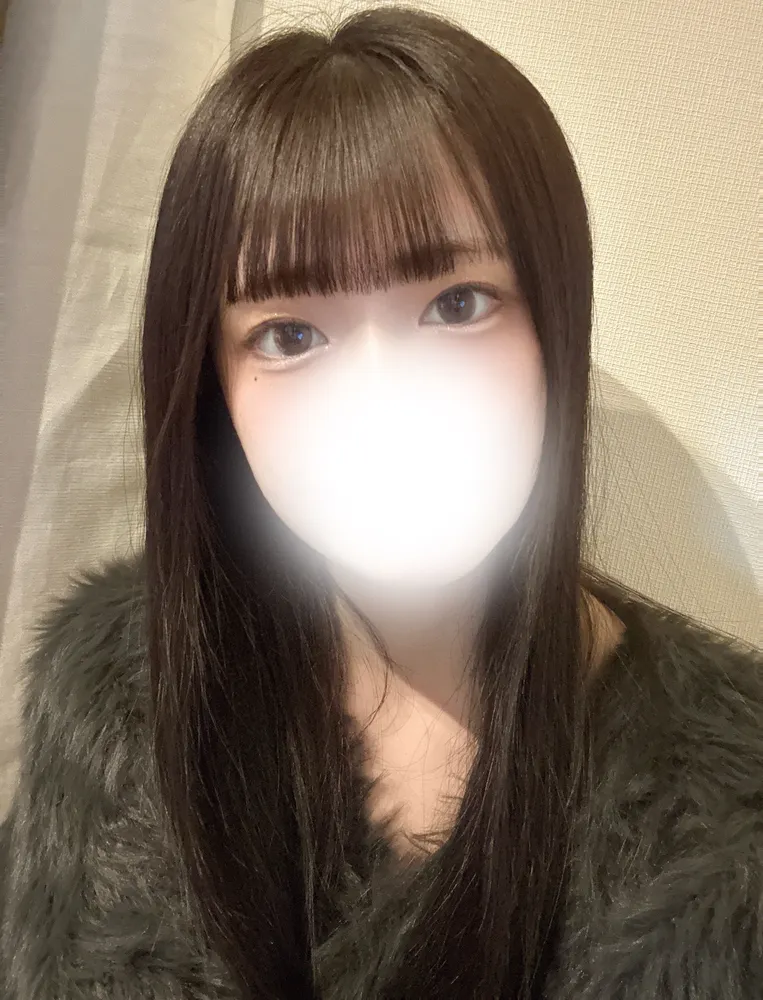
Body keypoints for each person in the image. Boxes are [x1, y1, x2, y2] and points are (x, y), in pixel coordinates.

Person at [0, 6, 760, 999]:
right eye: (289, 334)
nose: (381, 402)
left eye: (455, 303)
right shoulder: (109, 692)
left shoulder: (730, 835)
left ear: (554, 326)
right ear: (216, 392)